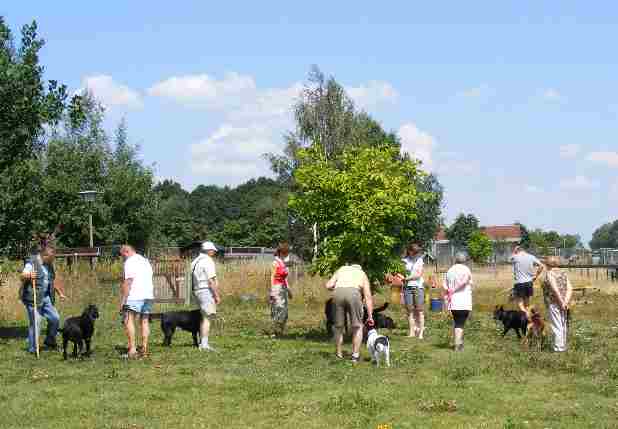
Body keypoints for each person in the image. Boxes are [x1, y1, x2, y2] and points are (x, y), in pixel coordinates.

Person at [21, 246, 66, 353]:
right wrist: (29, 275)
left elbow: (51, 281)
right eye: (51, 258)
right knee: (36, 322)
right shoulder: (32, 263)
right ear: (45, 256)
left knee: (55, 318)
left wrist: (60, 293)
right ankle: (32, 348)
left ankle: (50, 340)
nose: (52, 261)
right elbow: (22, 276)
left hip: (46, 298)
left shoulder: (49, 265)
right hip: (33, 298)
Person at [325, 262, 374, 363]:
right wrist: (370, 316)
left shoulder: (341, 269)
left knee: (338, 327)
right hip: (354, 293)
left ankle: (339, 354)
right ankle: (355, 356)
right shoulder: (362, 274)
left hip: (337, 293)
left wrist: (339, 289)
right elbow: (368, 296)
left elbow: (328, 285)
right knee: (357, 326)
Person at [119, 245, 154, 359]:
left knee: (128, 320)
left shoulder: (130, 262)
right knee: (144, 321)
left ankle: (132, 350)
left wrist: (123, 300)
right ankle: (144, 348)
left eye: (122, 255)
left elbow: (128, 281)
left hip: (135, 295)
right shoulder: (145, 261)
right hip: (148, 295)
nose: (122, 258)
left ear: (127, 252)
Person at [191, 241, 221, 351]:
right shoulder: (207, 261)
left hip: (197, 290)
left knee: (203, 316)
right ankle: (204, 344)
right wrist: (216, 295)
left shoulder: (195, 261)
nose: (214, 252)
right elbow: (211, 280)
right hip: (206, 291)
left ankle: (202, 341)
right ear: (209, 250)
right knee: (207, 317)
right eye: (213, 250)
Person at [540, 256, 573, 352]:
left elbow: (554, 289)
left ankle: (559, 348)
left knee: (557, 325)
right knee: (563, 324)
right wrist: (565, 302)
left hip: (553, 303)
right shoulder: (563, 273)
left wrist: (561, 302)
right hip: (563, 303)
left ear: (547, 265)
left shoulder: (549, 274)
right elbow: (570, 288)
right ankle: (563, 346)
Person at [443, 251, 473, 352]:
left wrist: (447, 298)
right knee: (460, 323)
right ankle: (457, 345)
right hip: (463, 301)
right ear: (465, 260)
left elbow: (445, 286)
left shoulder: (450, 270)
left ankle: (459, 343)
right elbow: (468, 282)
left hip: (453, 301)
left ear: (456, 259)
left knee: (457, 323)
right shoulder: (466, 270)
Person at [510, 245, 544, 317]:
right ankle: (530, 316)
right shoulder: (531, 256)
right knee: (527, 303)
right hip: (529, 282)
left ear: (517, 250)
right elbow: (541, 266)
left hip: (519, 283)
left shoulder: (515, 257)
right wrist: (536, 276)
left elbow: (510, 258)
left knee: (520, 303)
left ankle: (526, 316)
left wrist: (514, 251)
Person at [401, 243, 426, 338]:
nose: (416, 254)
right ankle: (412, 332)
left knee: (420, 310)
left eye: (417, 253)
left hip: (418, 287)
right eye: (414, 252)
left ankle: (421, 333)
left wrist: (406, 278)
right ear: (410, 251)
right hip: (407, 288)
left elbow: (418, 275)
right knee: (409, 311)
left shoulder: (420, 260)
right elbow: (401, 274)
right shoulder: (404, 261)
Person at [269, 242, 292, 337]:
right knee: (278, 309)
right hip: (276, 288)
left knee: (285, 311)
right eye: (286, 252)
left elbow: (285, 278)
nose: (287, 254)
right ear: (282, 252)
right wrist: (272, 291)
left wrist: (289, 290)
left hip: (283, 288)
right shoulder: (275, 262)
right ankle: (275, 331)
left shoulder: (283, 263)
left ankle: (280, 332)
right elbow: (272, 276)